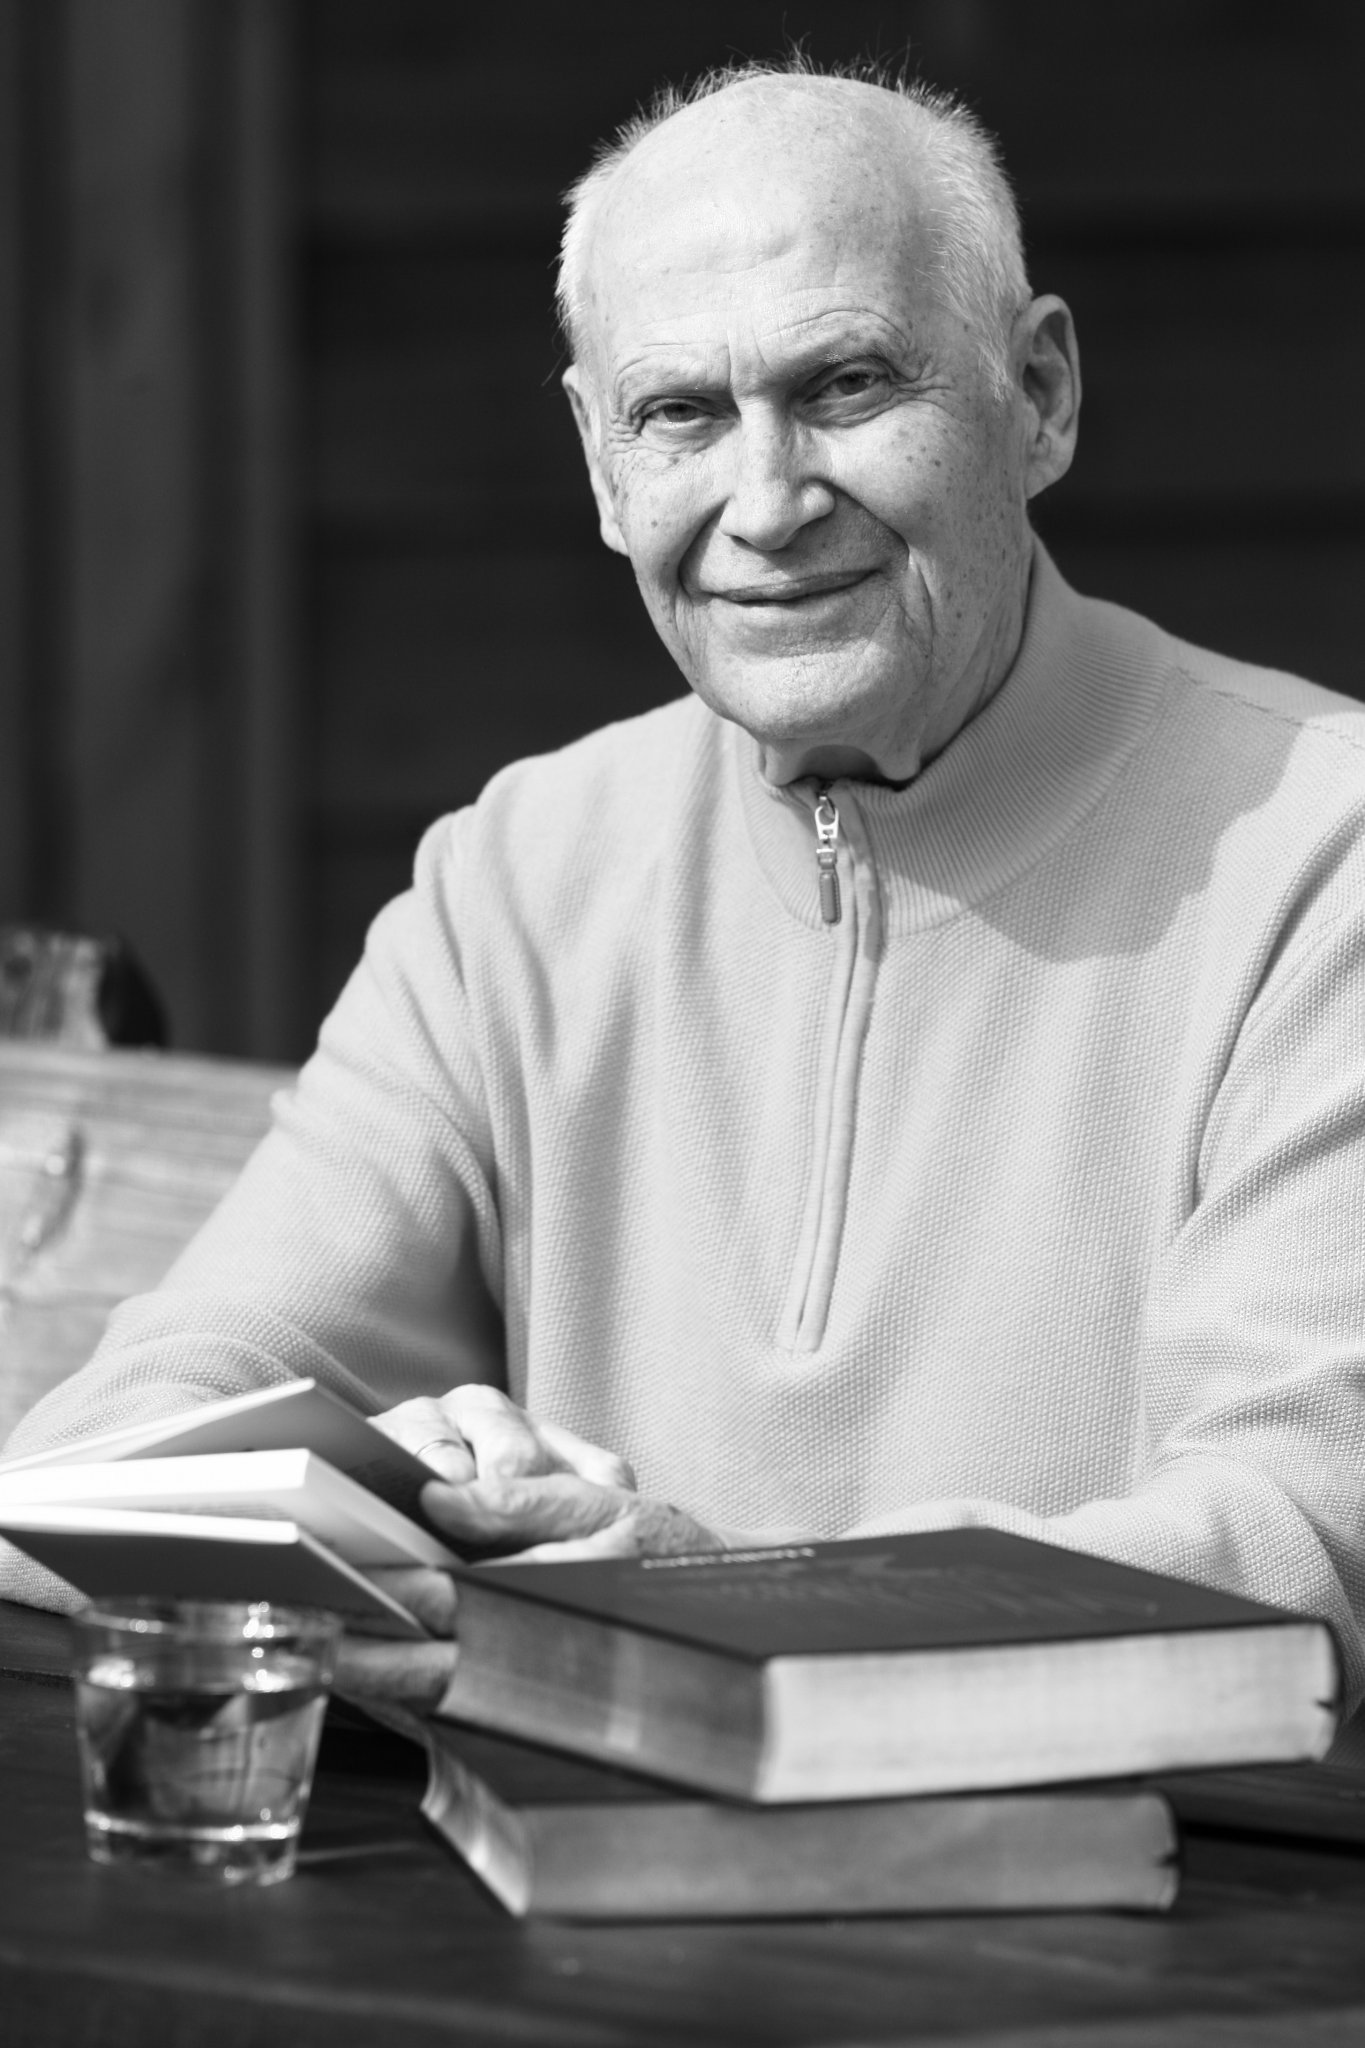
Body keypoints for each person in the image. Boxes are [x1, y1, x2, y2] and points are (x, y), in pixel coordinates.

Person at [4, 61, 1365, 1712]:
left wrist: (691, 1606)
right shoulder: (516, 879)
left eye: (846, 385)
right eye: (681, 416)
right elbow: (104, 1455)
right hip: (537, 1859)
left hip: (1154, 1869)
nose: (766, 503)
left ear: (1039, 395)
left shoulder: (1324, 851)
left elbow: (1296, 1540)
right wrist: (399, 1503)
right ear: (601, 466)